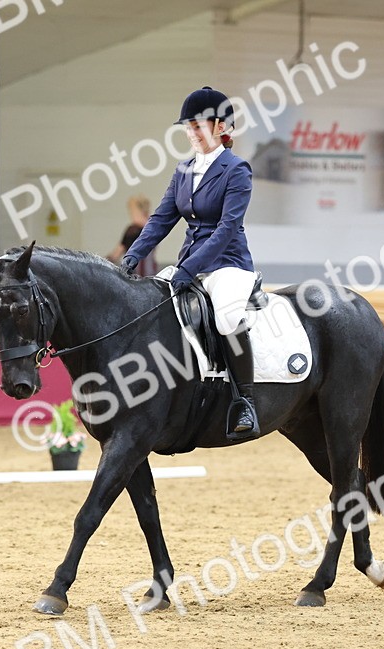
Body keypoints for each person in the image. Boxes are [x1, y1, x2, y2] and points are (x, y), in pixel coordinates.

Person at [121, 86, 259, 441]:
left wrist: (188, 270)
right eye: (188, 127)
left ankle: (245, 400)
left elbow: (227, 229)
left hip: (227, 263)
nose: (191, 133)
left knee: (228, 317)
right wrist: (133, 255)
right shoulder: (184, 171)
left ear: (220, 127)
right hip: (189, 263)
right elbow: (161, 219)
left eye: (199, 126)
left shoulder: (236, 170)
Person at [107, 195, 158, 277]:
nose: (131, 215)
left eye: (132, 212)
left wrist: (102, 262)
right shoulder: (153, 227)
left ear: (139, 211)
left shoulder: (133, 230)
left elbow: (116, 254)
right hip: (151, 274)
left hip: (136, 276)